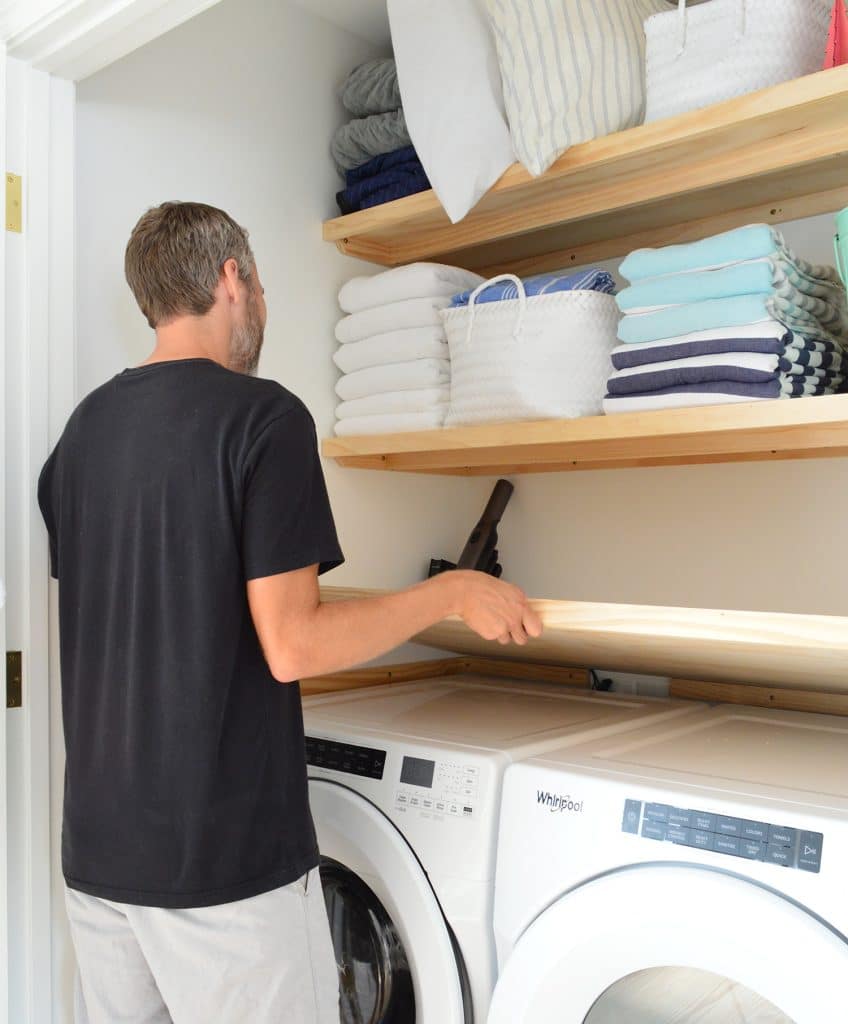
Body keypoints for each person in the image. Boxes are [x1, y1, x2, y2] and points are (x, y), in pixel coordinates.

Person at [38, 201, 543, 1024]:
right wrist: (450, 592)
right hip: (223, 873)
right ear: (232, 279)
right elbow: (293, 643)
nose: (263, 304)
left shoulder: (82, 434)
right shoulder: (263, 417)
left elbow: (140, 616)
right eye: (262, 283)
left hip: (98, 860)